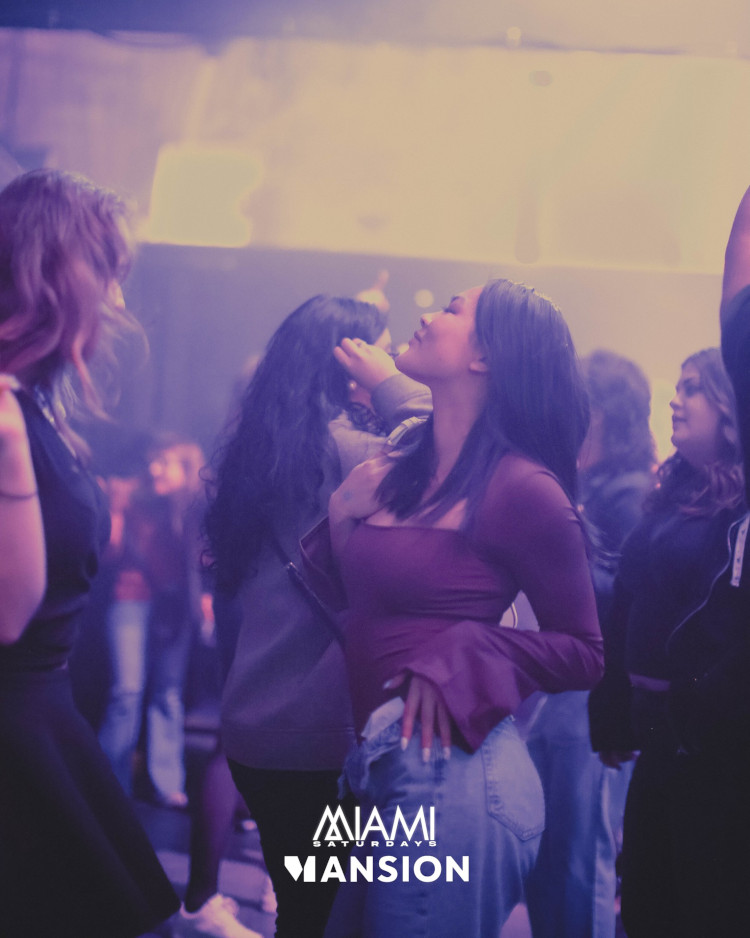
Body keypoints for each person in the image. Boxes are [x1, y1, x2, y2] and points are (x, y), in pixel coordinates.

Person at [304, 279, 604, 937]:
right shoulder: (405, 463)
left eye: (452, 308)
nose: (428, 314)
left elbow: (586, 653)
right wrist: (342, 510)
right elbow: (360, 605)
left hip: (452, 777)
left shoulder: (524, 487)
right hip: (379, 762)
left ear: (485, 356)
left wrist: (471, 648)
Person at [204, 293, 431, 938]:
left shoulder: (262, 450)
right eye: (379, 353)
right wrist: (392, 386)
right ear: (348, 368)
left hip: (256, 724)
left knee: (305, 907)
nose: (391, 362)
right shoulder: (356, 451)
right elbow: (453, 442)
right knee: (328, 917)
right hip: (318, 739)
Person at [0, 168, 179, 936]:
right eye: (107, 271)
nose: (119, 301)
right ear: (55, 274)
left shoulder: (29, 402)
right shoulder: (7, 414)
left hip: (41, 719)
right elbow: (8, 617)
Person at [588, 347, 745, 937]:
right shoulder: (675, 490)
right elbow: (630, 599)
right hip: (655, 733)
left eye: (693, 388)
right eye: (677, 386)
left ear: (731, 406)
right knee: (648, 907)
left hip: (712, 746)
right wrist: (612, 708)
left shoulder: (741, 507)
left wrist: (691, 706)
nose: (676, 400)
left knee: (702, 911)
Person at [525, 350, 655, 938]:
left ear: (599, 411)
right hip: (572, 690)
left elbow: (624, 598)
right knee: (555, 855)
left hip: (593, 693)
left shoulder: (628, 495)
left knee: (579, 858)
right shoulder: (594, 486)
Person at [98, 432, 207, 808]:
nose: (154, 468)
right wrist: (114, 510)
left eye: (165, 462)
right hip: (130, 597)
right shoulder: (129, 497)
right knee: (126, 690)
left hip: (174, 606)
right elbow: (108, 554)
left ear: (186, 469)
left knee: (168, 693)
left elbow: (200, 561)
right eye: (153, 461)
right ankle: (109, 783)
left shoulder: (193, 506)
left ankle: (167, 782)